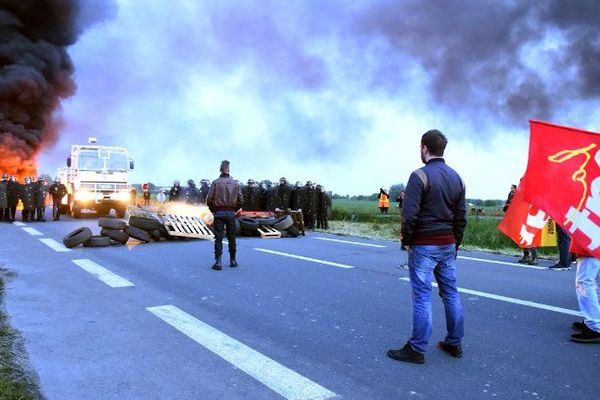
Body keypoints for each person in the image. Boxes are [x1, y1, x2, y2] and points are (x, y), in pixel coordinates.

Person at [388, 129, 466, 365]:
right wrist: (456, 243)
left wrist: (408, 242)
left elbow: (409, 215)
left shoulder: (419, 176)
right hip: (448, 244)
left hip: (423, 244)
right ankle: (454, 343)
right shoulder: (457, 177)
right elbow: (461, 217)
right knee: (450, 293)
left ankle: (417, 348)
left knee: (422, 296)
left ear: (424, 148)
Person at [207, 160, 243, 271]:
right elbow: (240, 200)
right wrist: (233, 210)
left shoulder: (215, 183)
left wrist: (213, 210)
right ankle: (233, 260)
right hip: (231, 213)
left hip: (218, 213)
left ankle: (218, 262)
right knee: (232, 237)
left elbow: (209, 199)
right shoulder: (235, 183)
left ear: (220, 169)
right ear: (229, 170)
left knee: (218, 237)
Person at [569, 243, 600, 343]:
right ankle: (595, 321)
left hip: (591, 242)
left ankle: (595, 325)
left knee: (585, 283)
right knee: (597, 283)